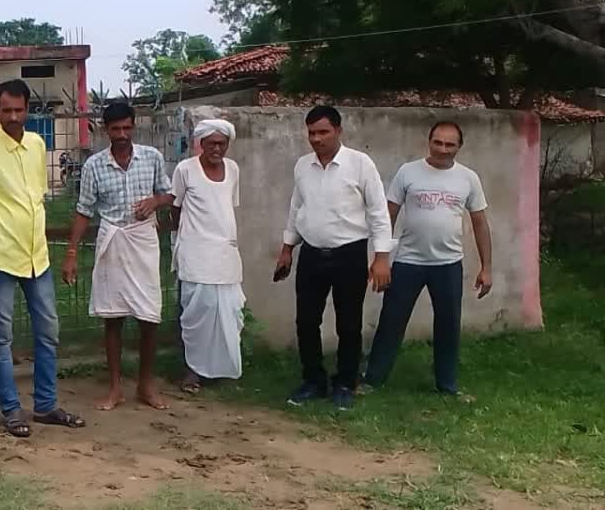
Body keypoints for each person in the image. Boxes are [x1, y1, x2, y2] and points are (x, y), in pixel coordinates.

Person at [0, 79, 85, 438]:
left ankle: (46, 405)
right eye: (6, 110)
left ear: (28, 109)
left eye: (19, 110)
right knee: (2, 338)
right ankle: (12, 409)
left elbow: (35, 198)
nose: (13, 117)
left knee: (48, 332)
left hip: (38, 257)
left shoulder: (36, 144)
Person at [274, 106, 392, 410]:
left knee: (349, 325)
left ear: (338, 131)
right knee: (306, 322)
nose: (316, 139)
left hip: (349, 254)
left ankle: (345, 382)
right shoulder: (303, 166)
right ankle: (314, 380)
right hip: (311, 253)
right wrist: (288, 248)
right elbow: (296, 208)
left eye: (323, 132)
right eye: (311, 133)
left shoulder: (360, 164)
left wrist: (381, 257)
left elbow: (378, 212)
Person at [363, 121, 493, 396]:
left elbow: (480, 222)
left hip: (448, 265)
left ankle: (447, 386)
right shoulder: (408, 172)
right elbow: (388, 215)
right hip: (408, 262)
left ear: (459, 146)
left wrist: (486, 267)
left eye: (450, 144)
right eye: (438, 142)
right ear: (429, 141)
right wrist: (380, 258)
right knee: (391, 322)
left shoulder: (468, 178)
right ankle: (372, 380)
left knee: (448, 326)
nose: (443, 149)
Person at [63, 102, 174, 411]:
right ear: (105, 129)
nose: (122, 134)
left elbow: (169, 194)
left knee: (148, 315)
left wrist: (155, 201)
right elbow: (84, 210)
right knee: (113, 317)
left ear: (134, 126)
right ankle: (114, 388)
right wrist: (71, 253)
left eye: (127, 128)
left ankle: (146, 385)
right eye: (116, 129)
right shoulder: (94, 165)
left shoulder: (151, 157)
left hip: (143, 239)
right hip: (112, 238)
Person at [171, 119, 245, 393]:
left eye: (222, 143)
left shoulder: (233, 169)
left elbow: (227, 207)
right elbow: (175, 206)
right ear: (200, 144)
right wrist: (188, 235)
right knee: (196, 312)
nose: (217, 148)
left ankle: (222, 370)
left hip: (225, 252)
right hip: (195, 252)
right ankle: (193, 371)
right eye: (211, 143)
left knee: (230, 310)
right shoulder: (185, 170)